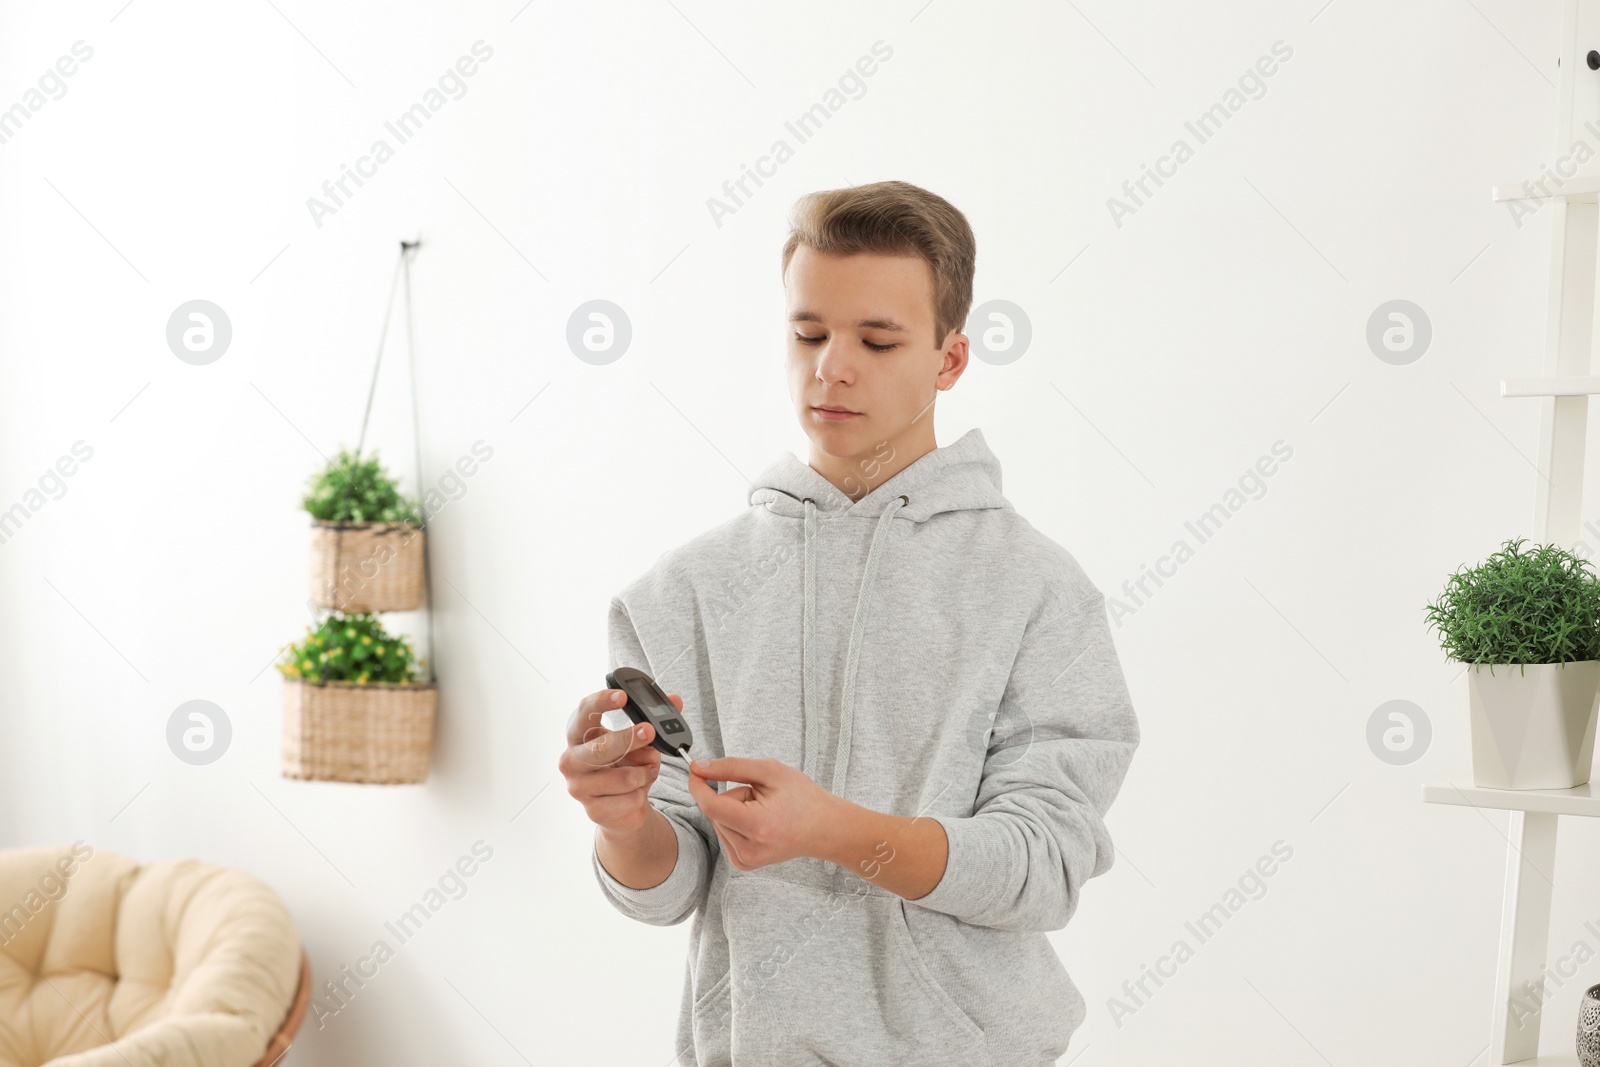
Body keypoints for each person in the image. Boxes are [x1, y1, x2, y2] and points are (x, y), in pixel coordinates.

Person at [559, 179, 1140, 1066]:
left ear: (949, 360)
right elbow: (666, 889)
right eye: (808, 332)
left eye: (877, 338)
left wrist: (834, 832)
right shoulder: (682, 591)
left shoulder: (1038, 590)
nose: (832, 365)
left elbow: (1042, 866)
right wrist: (623, 820)